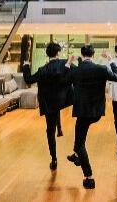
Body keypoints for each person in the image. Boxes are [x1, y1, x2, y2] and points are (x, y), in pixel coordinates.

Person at [66, 44, 117, 190]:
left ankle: (89, 177)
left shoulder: (76, 71)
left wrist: (68, 63)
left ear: (82, 56)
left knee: (79, 142)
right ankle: (77, 155)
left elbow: (64, 79)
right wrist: (110, 60)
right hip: (96, 112)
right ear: (93, 55)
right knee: (79, 136)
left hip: (83, 112)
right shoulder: (101, 69)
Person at [22, 42, 73, 170]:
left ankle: (54, 158)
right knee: (57, 107)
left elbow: (28, 79)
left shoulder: (42, 70)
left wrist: (26, 65)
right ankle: (59, 128)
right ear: (58, 53)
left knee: (50, 130)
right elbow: (75, 74)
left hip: (48, 103)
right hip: (63, 98)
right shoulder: (64, 63)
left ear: (47, 55)